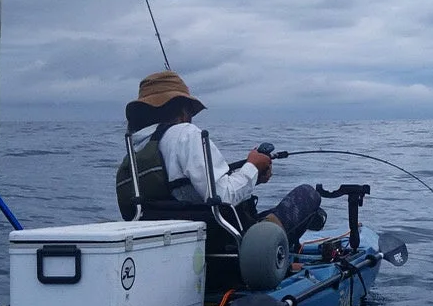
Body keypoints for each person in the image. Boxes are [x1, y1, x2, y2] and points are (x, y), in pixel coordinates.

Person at [121, 70, 324, 249]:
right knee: (307, 195)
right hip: (226, 244)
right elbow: (223, 196)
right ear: (182, 112)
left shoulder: (135, 151)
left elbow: (186, 194)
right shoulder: (185, 134)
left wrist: (254, 178)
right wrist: (253, 166)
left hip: (181, 246)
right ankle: (272, 258)